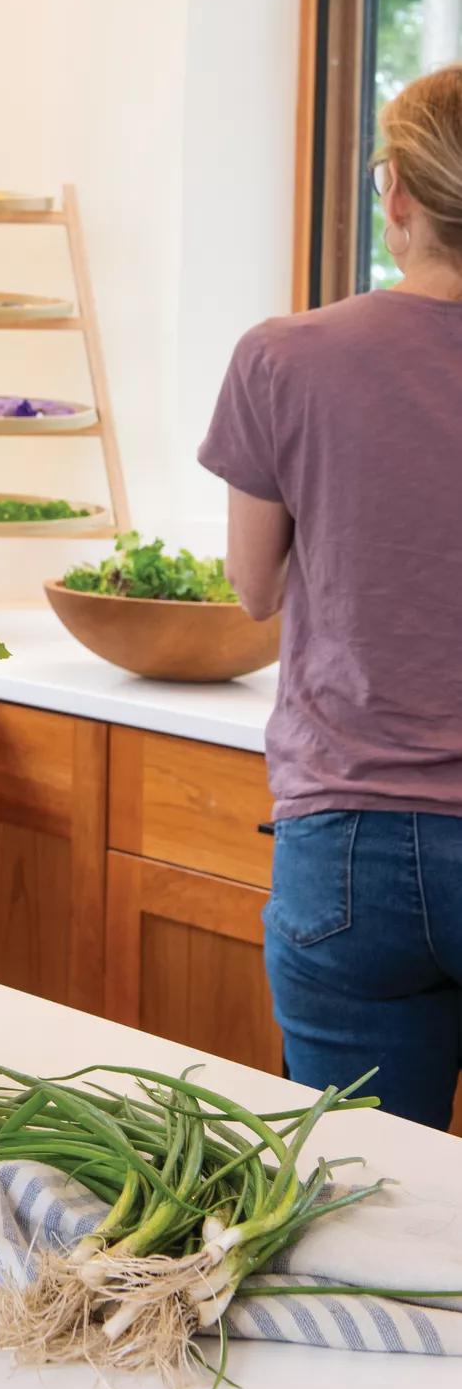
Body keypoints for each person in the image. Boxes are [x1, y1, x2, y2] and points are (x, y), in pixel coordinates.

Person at [199, 62, 462, 1129]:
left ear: (393, 193)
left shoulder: (284, 359)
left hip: (350, 842)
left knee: (360, 1207)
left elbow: (252, 590)